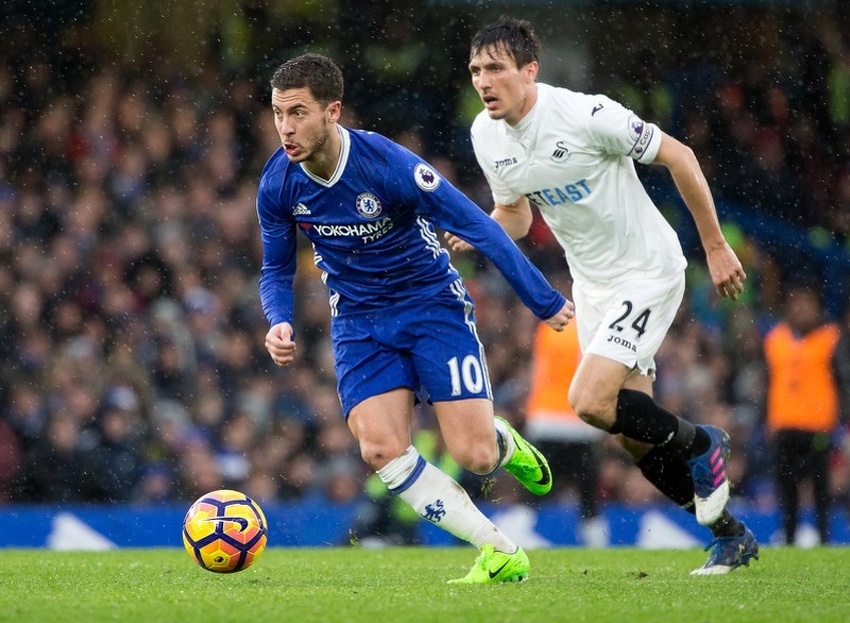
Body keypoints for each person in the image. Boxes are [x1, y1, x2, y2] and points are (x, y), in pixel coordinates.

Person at [446, 17, 758, 574]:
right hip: (592, 285)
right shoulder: (486, 136)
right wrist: (477, 232)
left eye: (495, 68)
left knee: (588, 401)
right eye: (475, 70)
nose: (483, 81)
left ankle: (705, 443)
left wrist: (713, 246)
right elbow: (516, 215)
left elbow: (680, 156)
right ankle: (729, 535)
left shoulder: (587, 115)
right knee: (629, 434)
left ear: (529, 70)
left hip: (648, 269)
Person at [256, 53, 574, 584]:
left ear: (332, 111)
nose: (285, 128)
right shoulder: (278, 184)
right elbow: (274, 267)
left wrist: (543, 301)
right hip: (358, 320)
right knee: (379, 446)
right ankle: (497, 551)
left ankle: (500, 441)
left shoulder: (389, 165)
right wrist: (279, 319)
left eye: (298, 113)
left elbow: (482, 228)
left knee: (472, 456)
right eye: (277, 113)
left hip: (431, 306)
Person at [763, 281, 841, 545]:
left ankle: (822, 538)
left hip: (817, 425)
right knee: (787, 488)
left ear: (818, 309)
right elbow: (767, 382)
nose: (801, 310)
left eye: (807, 305)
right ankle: (789, 537)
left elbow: (842, 380)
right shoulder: (775, 339)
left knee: (820, 488)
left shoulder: (831, 338)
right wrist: (767, 417)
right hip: (784, 424)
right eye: (796, 305)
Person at [524, 311, 607, 546]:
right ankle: (595, 542)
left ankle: (520, 531)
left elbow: (537, 371)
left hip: (544, 417)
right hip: (577, 418)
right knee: (587, 489)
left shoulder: (546, 327)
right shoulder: (591, 328)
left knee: (536, 483)